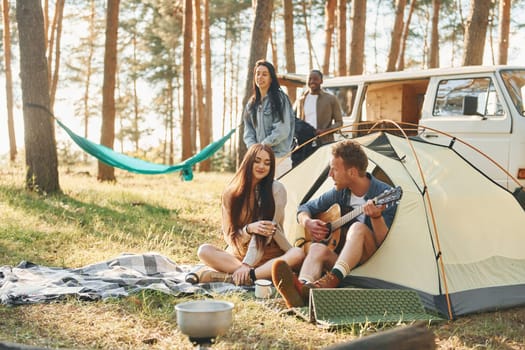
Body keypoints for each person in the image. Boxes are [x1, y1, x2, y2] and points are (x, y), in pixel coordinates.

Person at [271, 139, 397, 307]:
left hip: (371, 262)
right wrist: (307, 222)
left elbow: (385, 245)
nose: (330, 174)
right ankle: (301, 288)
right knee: (316, 247)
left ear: (351, 172)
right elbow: (304, 208)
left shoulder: (383, 195)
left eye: (334, 170)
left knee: (358, 228)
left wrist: (376, 218)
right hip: (344, 263)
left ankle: (330, 281)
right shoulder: (341, 192)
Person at [194, 143, 304, 286]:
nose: (261, 166)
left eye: (267, 163)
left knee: (298, 254)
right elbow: (230, 237)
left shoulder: (276, 189)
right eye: (257, 161)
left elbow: (265, 233)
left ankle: (239, 277)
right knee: (204, 250)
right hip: (240, 256)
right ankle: (257, 275)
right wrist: (248, 230)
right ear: (248, 162)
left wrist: (247, 265)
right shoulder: (231, 193)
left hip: (271, 254)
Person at [243, 60, 295, 177]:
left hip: (279, 158)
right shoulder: (251, 104)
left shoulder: (280, 99)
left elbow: (282, 130)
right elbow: (248, 131)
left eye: (264, 74)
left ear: (271, 79)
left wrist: (263, 145)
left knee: (278, 193)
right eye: (258, 73)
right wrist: (254, 149)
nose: (260, 77)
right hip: (258, 159)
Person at [295, 69, 343, 145]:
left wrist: (325, 131)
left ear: (321, 81)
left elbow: (339, 122)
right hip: (304, 143)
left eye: (315, 79)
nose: (312, 81)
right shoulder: (301, 100)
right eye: (310, 79)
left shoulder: (331, 99)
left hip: (325, 142)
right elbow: (297, 122)